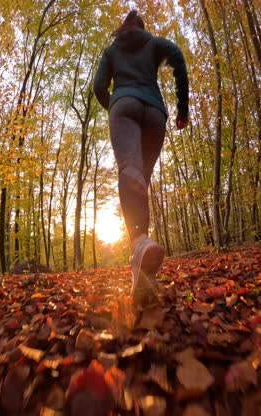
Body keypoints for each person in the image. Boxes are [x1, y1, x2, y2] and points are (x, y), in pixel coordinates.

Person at [93, 10, 189, 304]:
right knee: (140, 181)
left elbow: (98, 87)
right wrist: (182, 109)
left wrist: (116, 106)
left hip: (124, 105)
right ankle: (143, 269)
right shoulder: (156, 43)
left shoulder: (112, 50)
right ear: (143, 27)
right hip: (154, 112)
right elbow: (179, 62)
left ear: (122, 28)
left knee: (130, 173)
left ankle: (139, 243)